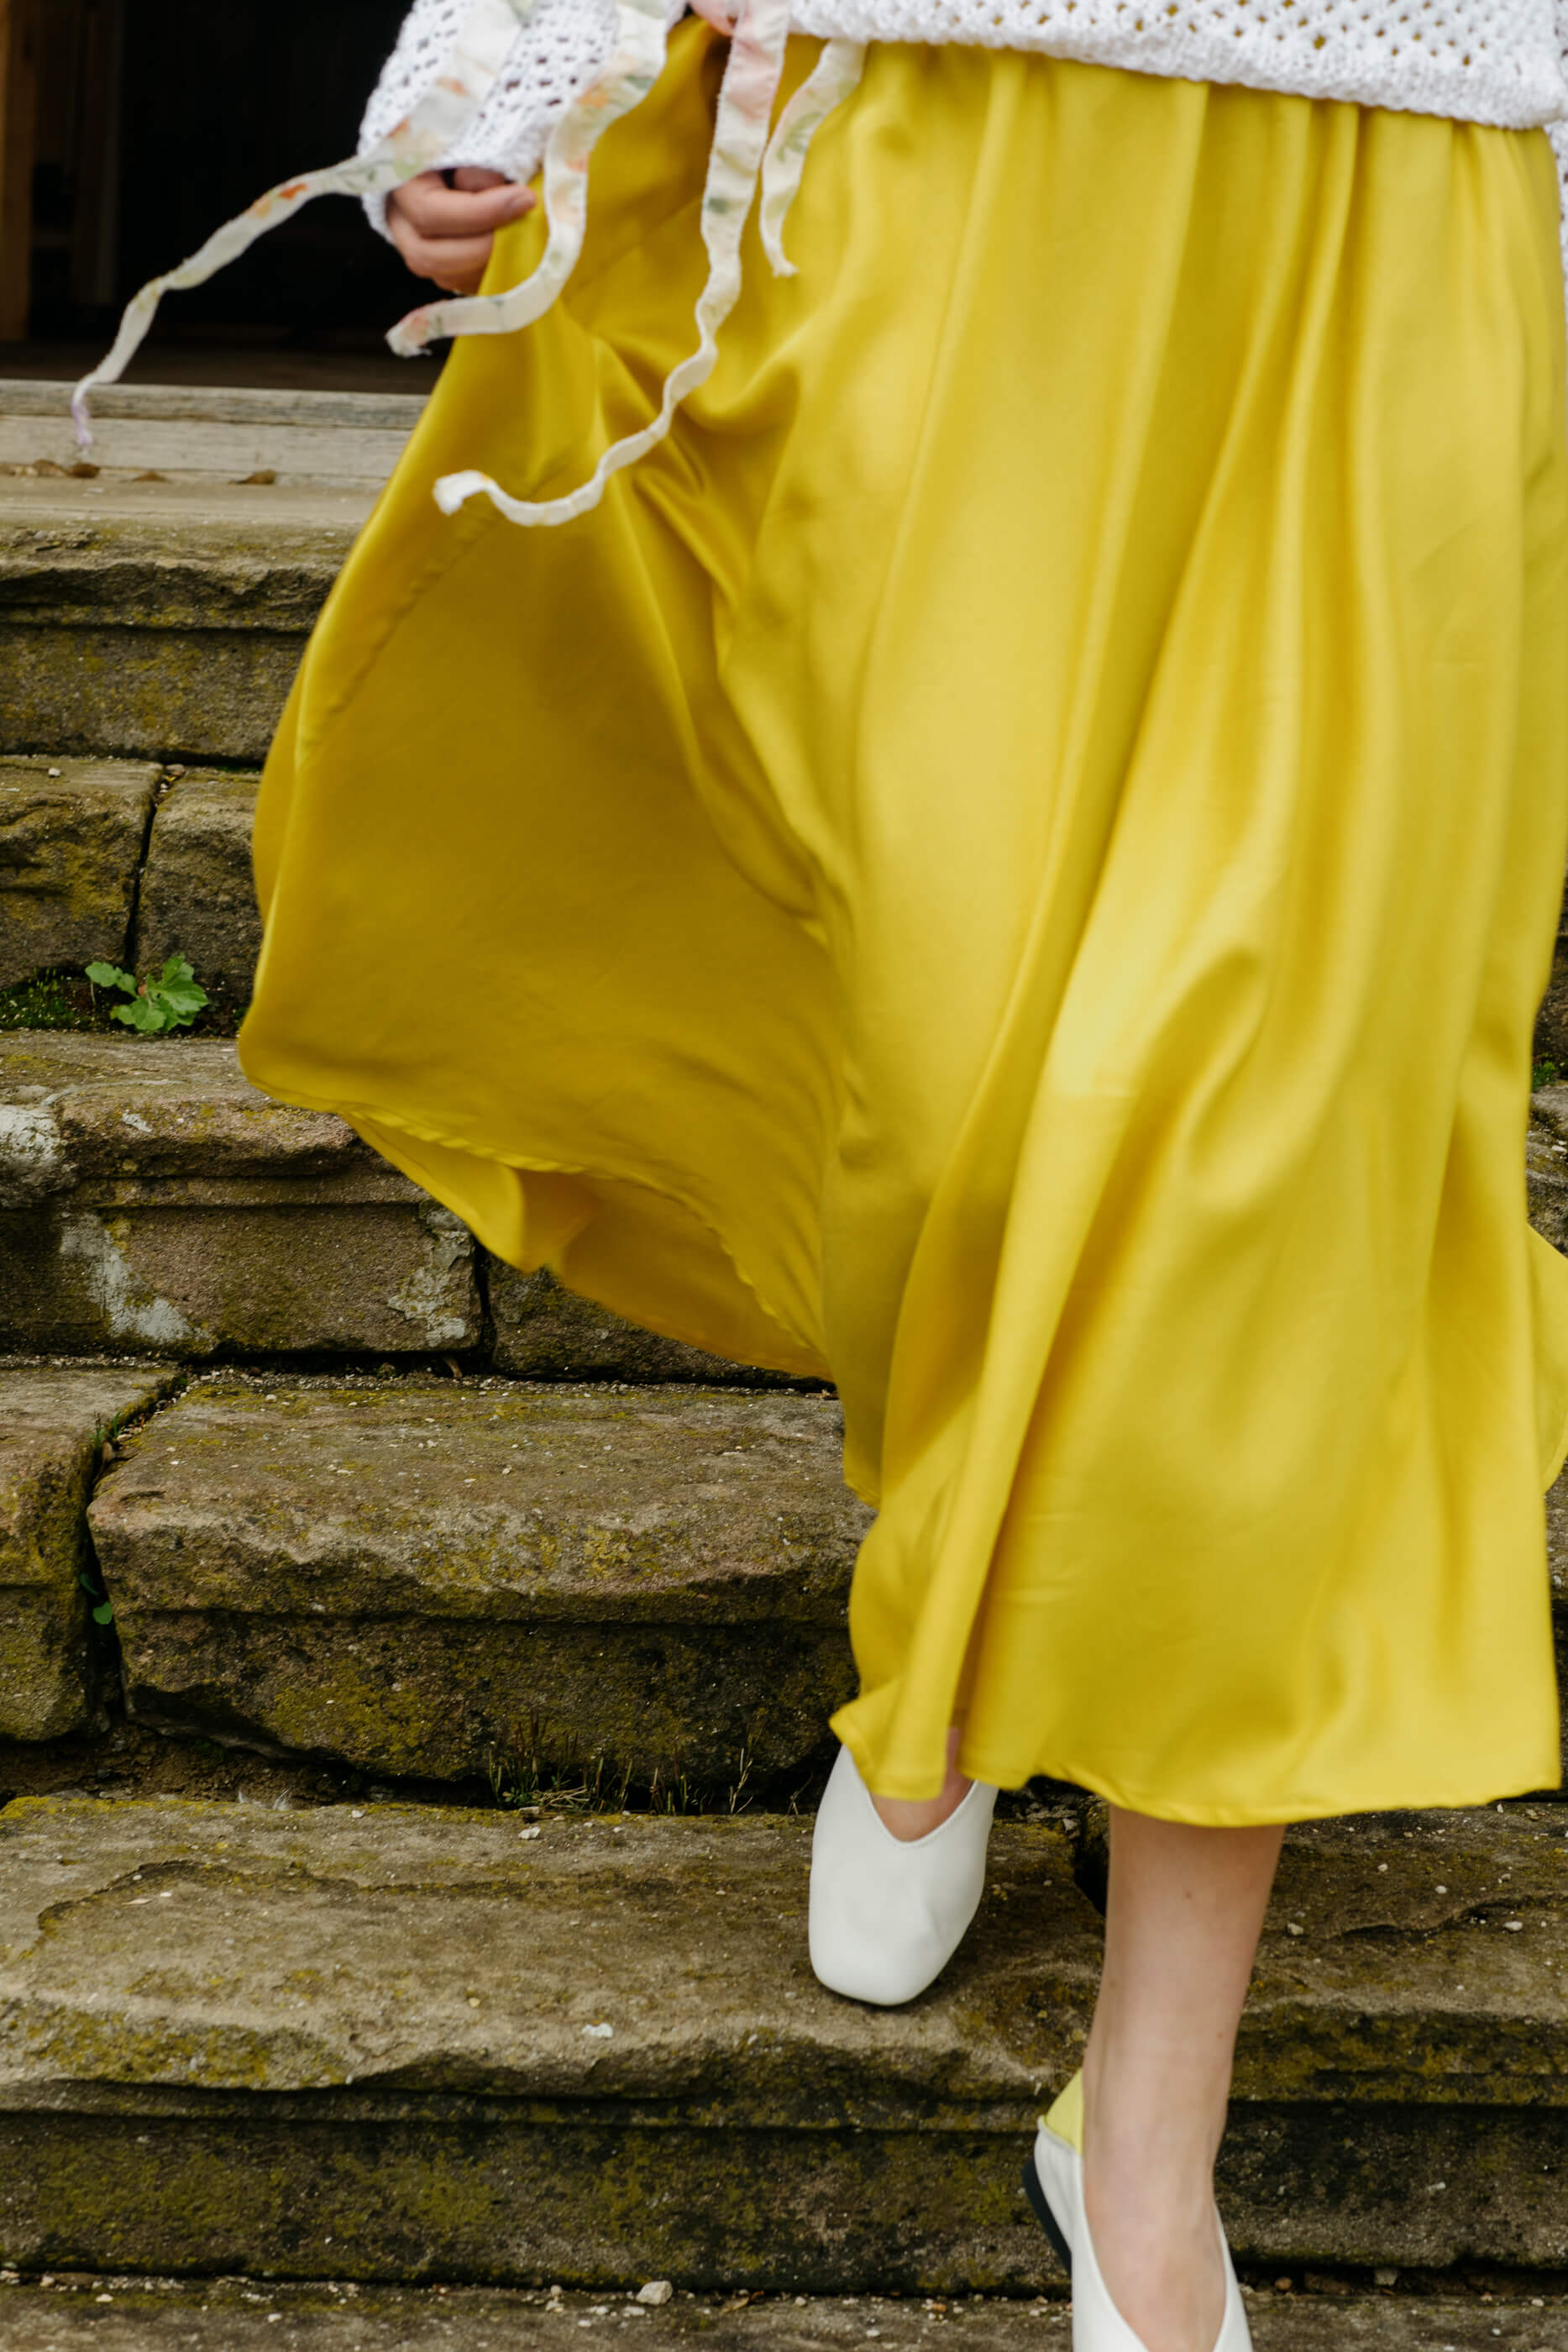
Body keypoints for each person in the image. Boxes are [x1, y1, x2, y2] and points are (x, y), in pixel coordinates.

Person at [208, 0, 1568, 2340]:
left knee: (1259, 1167)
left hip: (1399, 200)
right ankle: (932, 1653)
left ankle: (1140, 2153)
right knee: (945, 1099)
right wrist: (493, 83)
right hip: (951, 175)